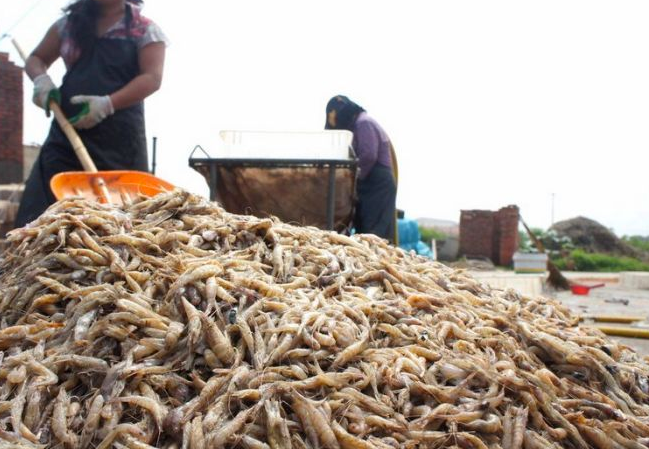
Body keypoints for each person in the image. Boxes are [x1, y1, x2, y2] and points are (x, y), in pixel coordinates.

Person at [15, 0, 167, 227]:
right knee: (39, 214)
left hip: (120, 142)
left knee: (126, 222)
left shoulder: (145, 29)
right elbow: (36, 59)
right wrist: (41, 80)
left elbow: (152, 78)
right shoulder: (67, 25)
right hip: (67, 134)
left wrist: (107, 103)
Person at [325, 95, 398, 243]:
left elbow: (369, 155)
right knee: (364, 228)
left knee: (373, 233)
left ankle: (376, 263)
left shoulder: (364, 123)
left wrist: (354, 178)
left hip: (377, 184)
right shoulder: (358, 125)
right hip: (370, 181)